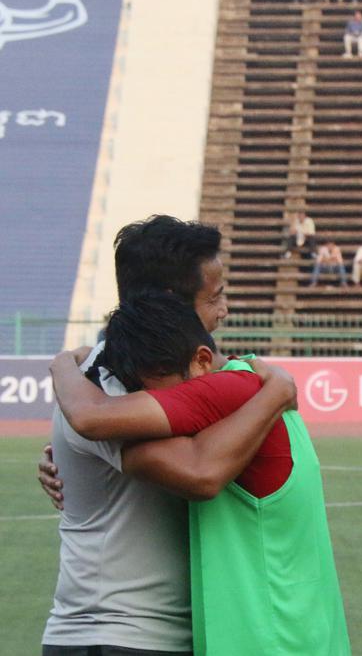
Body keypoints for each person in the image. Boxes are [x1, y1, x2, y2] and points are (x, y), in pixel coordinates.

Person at [49, 291, 349, 655]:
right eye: (213, 298)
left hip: (266, 635)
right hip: (276, 629)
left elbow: (196, 471)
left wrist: (63, 365)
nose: (222, 310)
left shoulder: (230, 389)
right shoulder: (253, 381)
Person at [36, 216, 262, 655]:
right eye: (214, 296)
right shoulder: (109, 379)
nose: (224, 310)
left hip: (146, 633)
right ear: (169, 303)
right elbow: (200, 473)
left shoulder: (164, 371)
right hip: (117, 633)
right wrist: (277, 391)